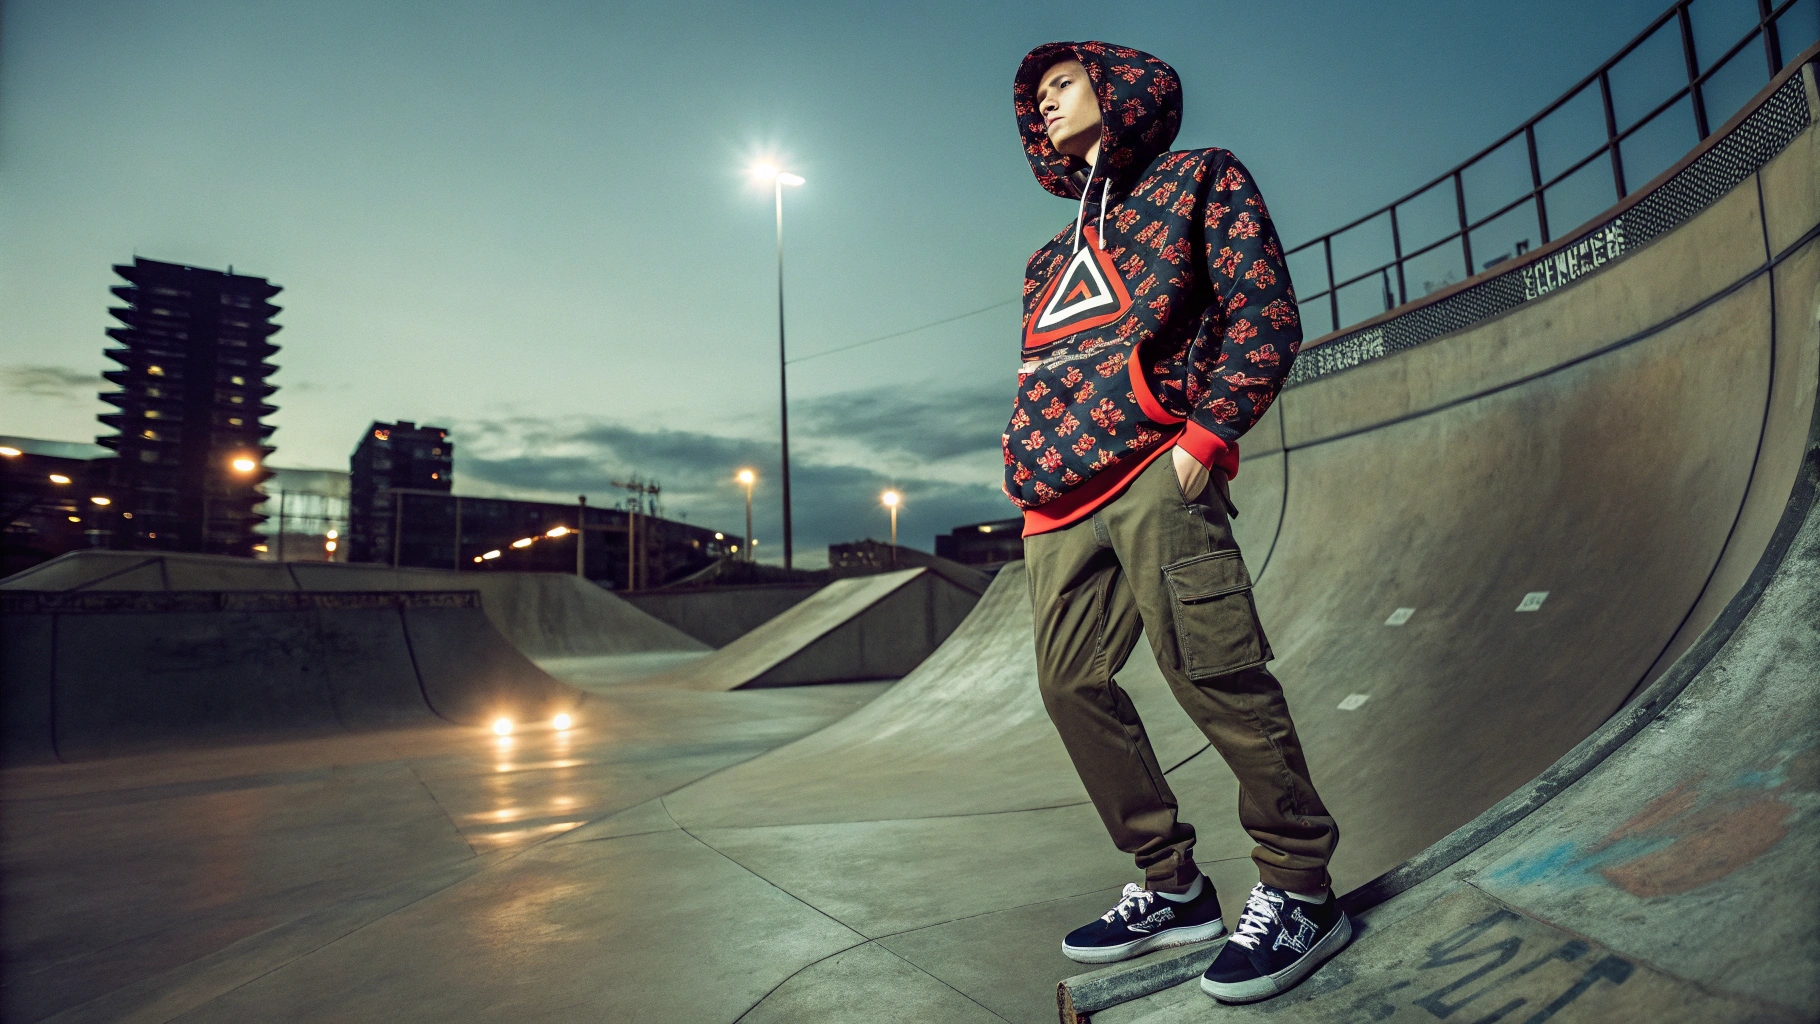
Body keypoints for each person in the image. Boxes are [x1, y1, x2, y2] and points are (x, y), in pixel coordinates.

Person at [1004, 42, 1348, 1004]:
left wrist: (1205, 436)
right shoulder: (1047, 260)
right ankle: (1174, 886)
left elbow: (1266, 312)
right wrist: (1028, 476)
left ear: (1115, 87)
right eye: (1035, 97)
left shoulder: (1200, 180)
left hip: (1160, 471)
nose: (1044, 102)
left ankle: (1299, 885)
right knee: (1069, 686)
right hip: (1056, 505)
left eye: (1061, 83)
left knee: (1213, 670)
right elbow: (1044, 378)